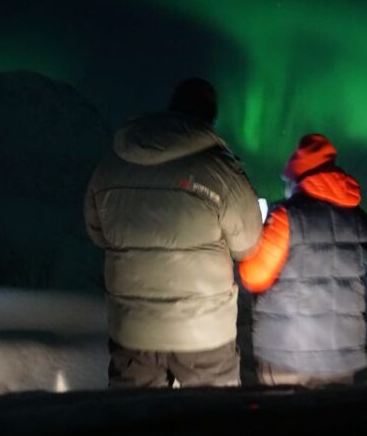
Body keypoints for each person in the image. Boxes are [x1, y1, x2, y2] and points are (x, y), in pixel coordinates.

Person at [84, 78, 263, 388]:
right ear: (209, 118)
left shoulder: (110, 166)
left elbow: (97, 232)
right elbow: (248, 245)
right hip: (204, 330)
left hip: (133, 327)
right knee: (212, 424)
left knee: (136, 421)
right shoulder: (221, 171)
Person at [239, 134, 367, 386]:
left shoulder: (286, 217)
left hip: (289, 353)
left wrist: (257, 237)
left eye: (287, 180)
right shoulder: (360, 220)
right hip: (341, 355)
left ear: (298, 178)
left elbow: (253, 277)